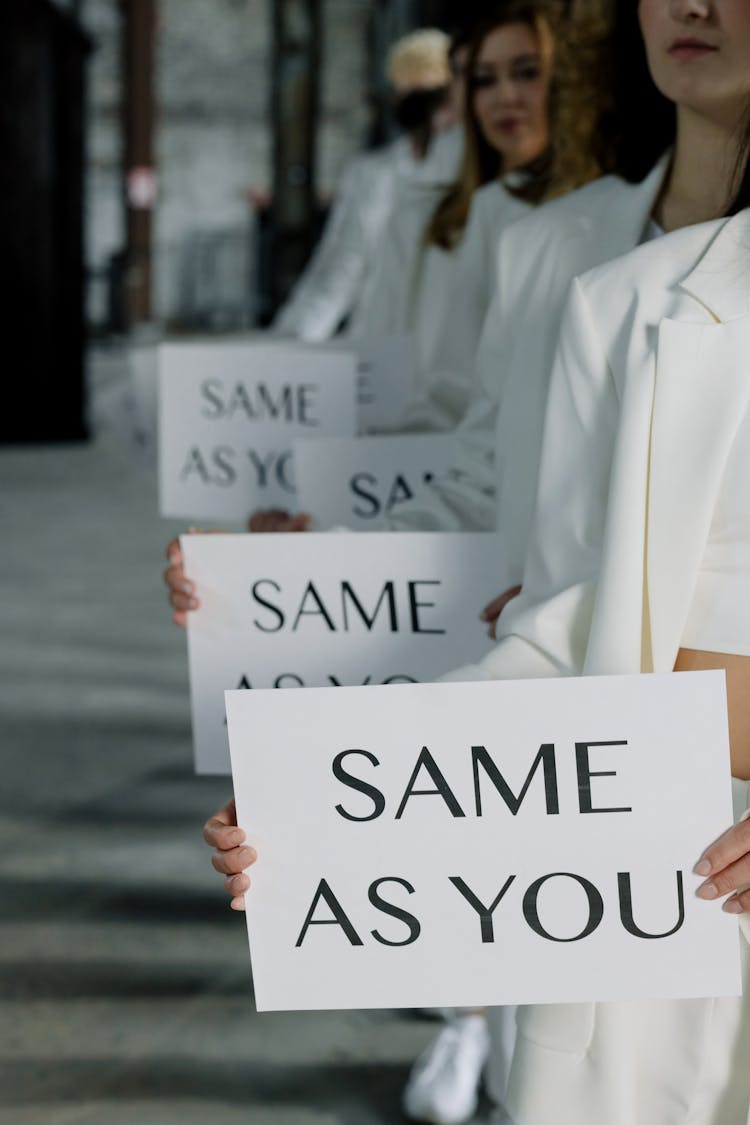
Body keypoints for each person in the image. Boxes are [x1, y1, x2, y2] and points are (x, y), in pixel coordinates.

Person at [201, 2, 750, 1121]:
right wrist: (327, 804)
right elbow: (562, 608)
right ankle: (463, 1028)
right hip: (649, 863)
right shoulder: (617, 298)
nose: (692, 3)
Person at [270, 28, 460, 344]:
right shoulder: (374, 174)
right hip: (382, 345)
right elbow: (341, 268)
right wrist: (292, 344)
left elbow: (341, 269)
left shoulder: (474, 178)